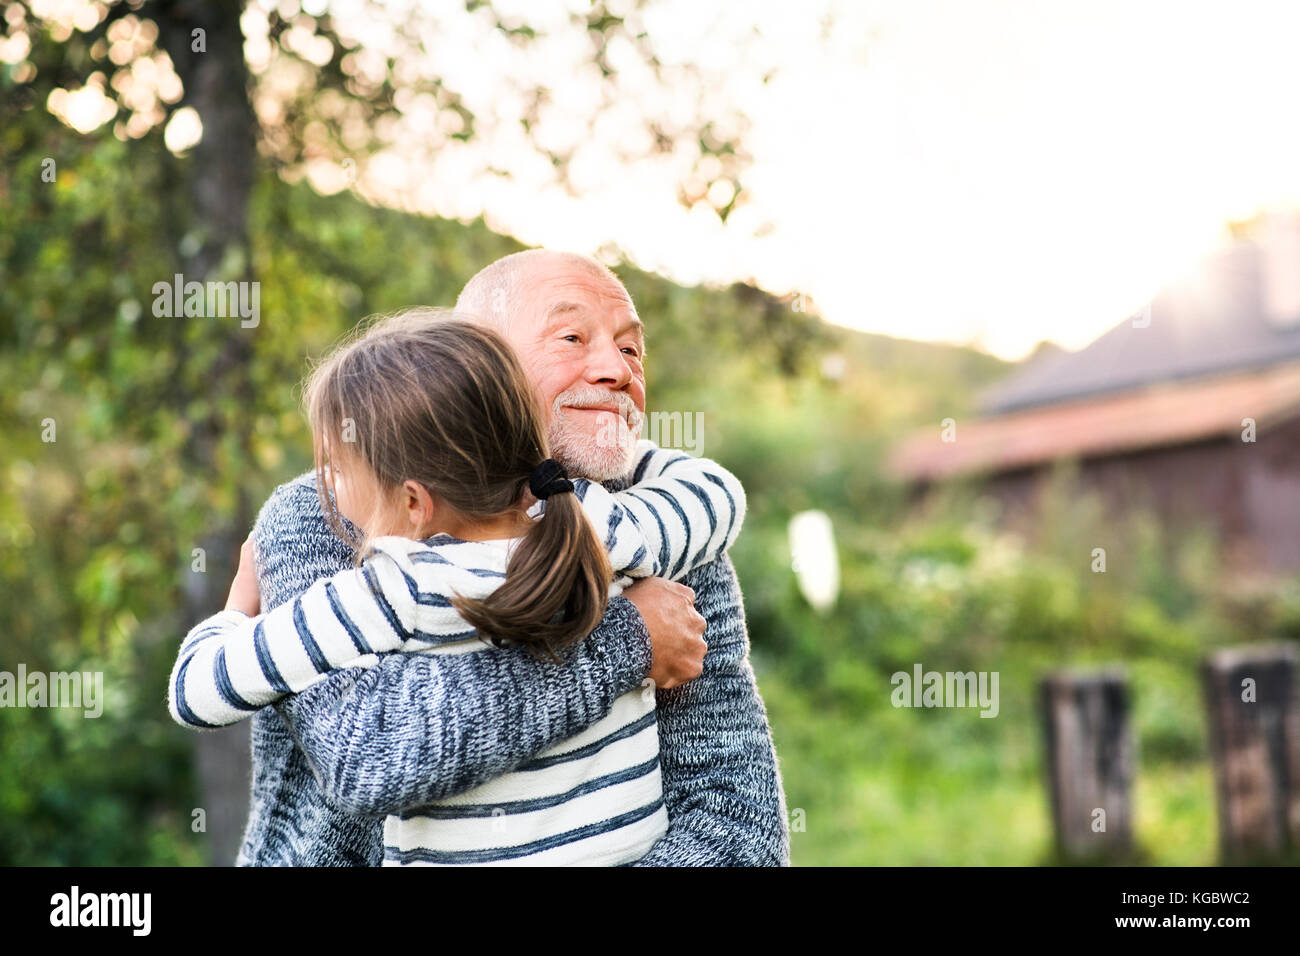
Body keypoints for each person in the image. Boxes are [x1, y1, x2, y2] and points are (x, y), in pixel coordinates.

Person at [240, 249, 789, 866]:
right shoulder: (329, 512)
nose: (615, 369)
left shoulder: (665, 533)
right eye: (572, 337)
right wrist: (628, 639)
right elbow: (365, 752)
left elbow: (736, 828)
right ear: (475, 362)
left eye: (632, 349)